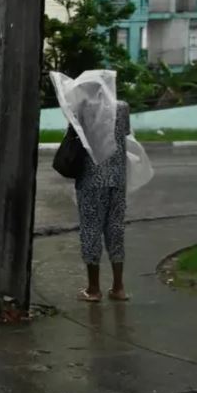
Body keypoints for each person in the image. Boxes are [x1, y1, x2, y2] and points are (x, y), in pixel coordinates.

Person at [76, 101, 131, 303]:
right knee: (115, 229)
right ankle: (119, 287)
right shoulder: (123, 107)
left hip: (91, 178)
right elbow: (124, 132)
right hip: (117, 177)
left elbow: (74, 136)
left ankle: (93, 289)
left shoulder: (83, 108)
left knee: (91, 229)